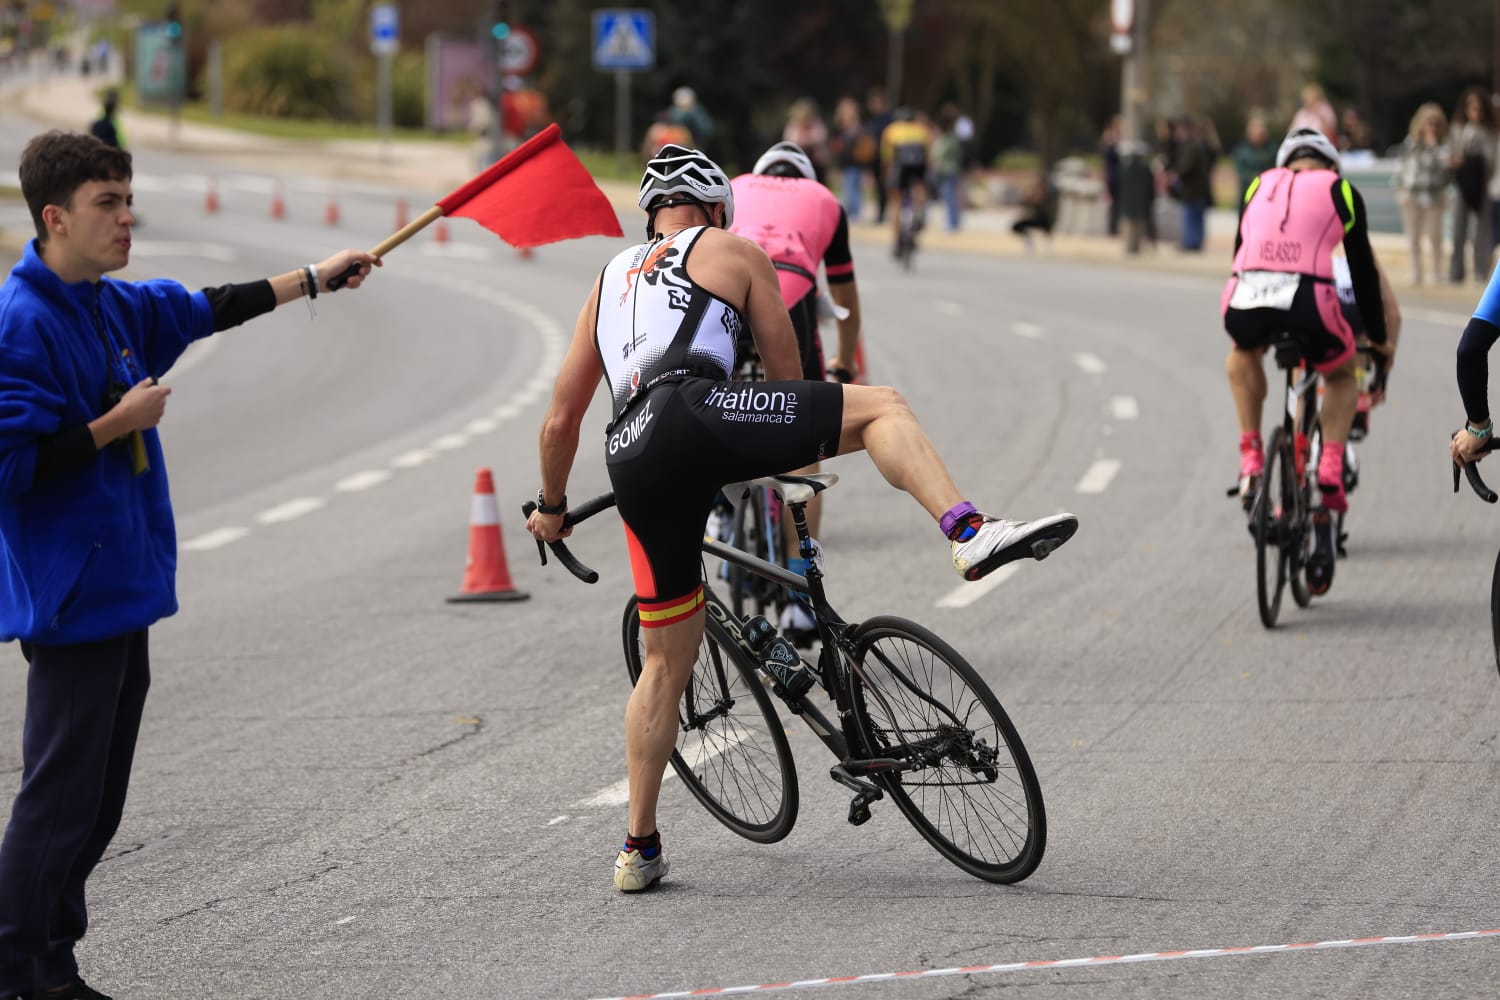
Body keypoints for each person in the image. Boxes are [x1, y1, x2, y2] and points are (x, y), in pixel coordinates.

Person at [525, 144, 1078, 893]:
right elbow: (788, 379)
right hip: (699, 412)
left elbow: (560, 422)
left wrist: (553, 510)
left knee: (663, 664)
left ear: (650, 213)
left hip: (629, 454)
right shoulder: (733, 249)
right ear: (718, 208)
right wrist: (795, 466)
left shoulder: (609, 277)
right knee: (882, 405)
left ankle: (639, 847)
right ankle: (968, 534)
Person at [0, 131, 379, 1000]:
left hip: (119, 591)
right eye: (108, 204)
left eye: (128, 200)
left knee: (94, 806)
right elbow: (9, 464)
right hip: (71, 597)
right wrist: (114, 425)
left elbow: (207, 306)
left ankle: (52, 963)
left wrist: (317, 277)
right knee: (58, 802)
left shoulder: (106, 302)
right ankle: (15, 970)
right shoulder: (24, 322)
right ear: (54, 218)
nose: (128, 219)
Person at [1221, 127, 1394, 596]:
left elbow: (1244, 250)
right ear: (1330, 166)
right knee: (1339, 372)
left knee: (1241, 355)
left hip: (1246, 295)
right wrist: (1377, 341)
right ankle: (1331, 463)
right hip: (1310, 303)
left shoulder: (1258, 184)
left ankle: (1252, 456)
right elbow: (1361, 273)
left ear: (1285, 162)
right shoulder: (1342, 190)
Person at [727, 140, 862, 636]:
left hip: (731, 299)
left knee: (702, 401)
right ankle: (802, 592)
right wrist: (845, 359)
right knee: (799, 436)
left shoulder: (735, 187)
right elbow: (845, 295)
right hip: (792, 301)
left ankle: (718, 508)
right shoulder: (826, 201)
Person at [1394, 102, 1450, 287]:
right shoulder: (1411, 142)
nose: (1431, 126)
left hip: (1434, 195)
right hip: (1412, 194)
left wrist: (1433, 146)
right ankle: (1416, 272)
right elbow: (1400, 167)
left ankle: (1436, 271)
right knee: (1413, 236)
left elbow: (1445, 170)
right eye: (1428, 122)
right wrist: (1399, 189)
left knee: (1435, 235)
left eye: (1435, 122)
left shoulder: (1443, 145)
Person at [1448, 86, 1494, 284]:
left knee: (1482, 231)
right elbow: (1451, 154)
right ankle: (1456, 272)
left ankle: (1480, 269)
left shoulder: (1490, 131)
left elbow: (1491, 156)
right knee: (1459, 228)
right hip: (1463, 183)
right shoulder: (1458, 129)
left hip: (1483, 183)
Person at [879, 107, 932, 251]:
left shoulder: (891, 130)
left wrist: (887, 174)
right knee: (919, 188)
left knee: (895, 202)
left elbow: (886, 157)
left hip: (900, 167)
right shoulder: (922, 130)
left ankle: (896, 240)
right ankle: (919, 211)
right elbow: (928, 154)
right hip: (918, 167)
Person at [1230, 113, 1276, 205]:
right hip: (1248, 189)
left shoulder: (1271, 150)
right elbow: (1240, 170)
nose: (1258, 137)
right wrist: (1255, 177)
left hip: (1267, 190)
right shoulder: (1242, 150)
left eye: (1261, 134)